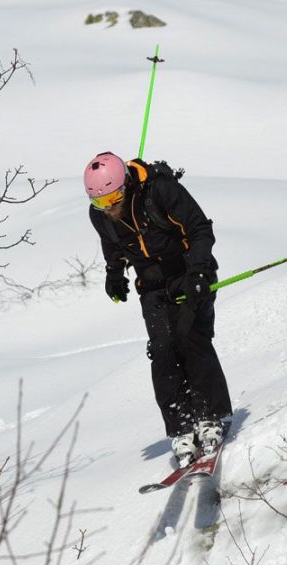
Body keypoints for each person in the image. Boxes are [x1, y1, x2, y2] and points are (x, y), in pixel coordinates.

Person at [85, 151, 232, 468]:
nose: (108, 208)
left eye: (111, 199)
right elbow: (113, 243)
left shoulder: (159, 190)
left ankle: (210, 416)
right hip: (153, 286)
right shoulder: (100, 215)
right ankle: (181, 429)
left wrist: (199, 272)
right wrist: (114, 272)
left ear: (124, 187)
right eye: (100, 203)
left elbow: (199, 228)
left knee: (191, 339)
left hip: (190, 273)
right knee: (163, 349)